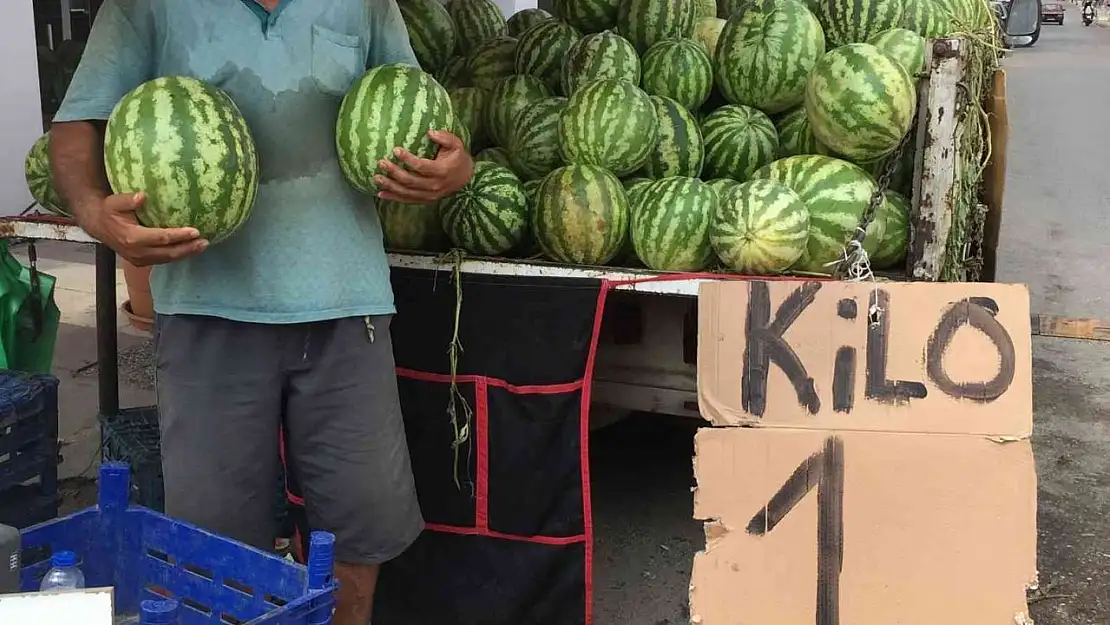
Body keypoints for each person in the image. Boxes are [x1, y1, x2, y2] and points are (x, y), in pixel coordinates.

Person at [48, 1, 474, 623]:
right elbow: (75, 125)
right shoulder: (145, 6)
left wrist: (454, 168)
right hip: (207, 310)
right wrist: (92, 211)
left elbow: (417, 106)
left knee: (359, 527)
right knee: (214, 538)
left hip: (345, 305)